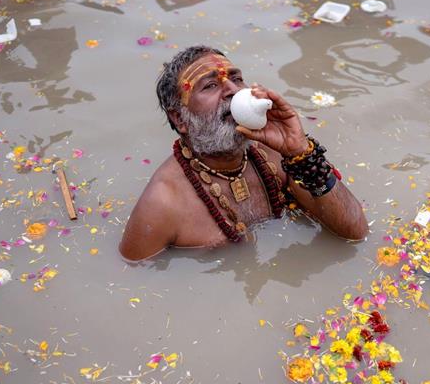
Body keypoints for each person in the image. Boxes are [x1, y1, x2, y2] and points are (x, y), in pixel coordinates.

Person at [119, 46, 368, 260]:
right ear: (179, 118)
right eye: (211, 85)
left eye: (236, 79)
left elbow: (355, 233)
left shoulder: (277, 154)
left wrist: (301, 151)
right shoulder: (163, 202)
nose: (232, 90)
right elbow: (137, 284)